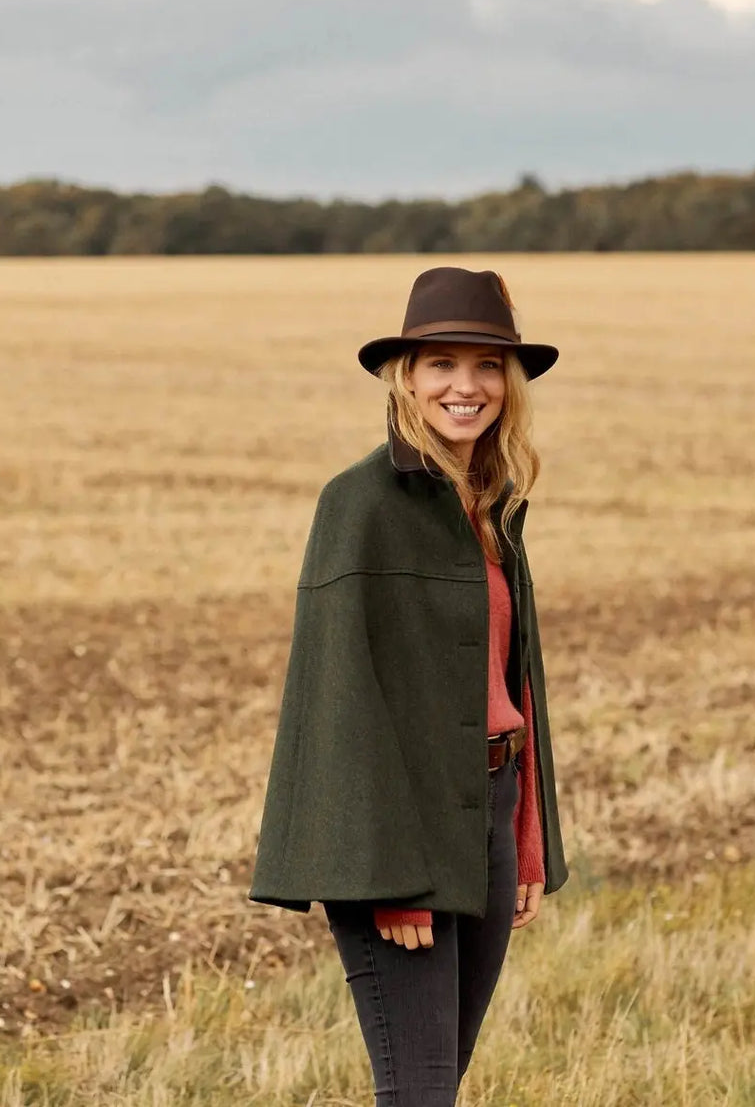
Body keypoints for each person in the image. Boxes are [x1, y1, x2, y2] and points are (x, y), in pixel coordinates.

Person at [248, 266, 569, 1106]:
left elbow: (516, 682)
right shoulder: (359, 504)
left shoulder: (490, 504)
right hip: (398, 835)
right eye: (441, 364)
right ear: (407, 376)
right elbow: (343, 700)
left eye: (488, 365)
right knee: (419, 1091)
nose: (467, 386)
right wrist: (390, 876)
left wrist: (529, 837)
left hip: (490, 811)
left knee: (438, 1085)